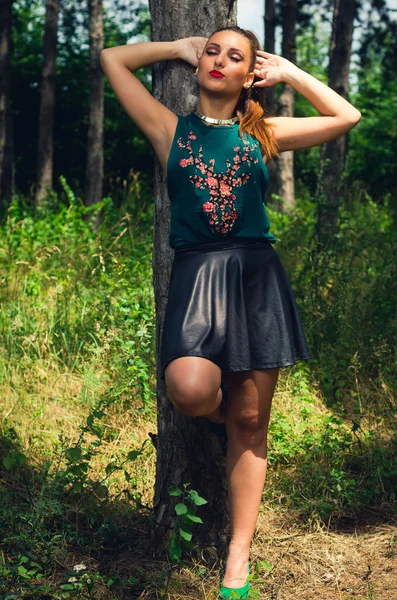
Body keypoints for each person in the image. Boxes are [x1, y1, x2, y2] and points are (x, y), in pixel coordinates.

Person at [100, 25, 361, 599]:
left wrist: (290, 72)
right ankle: (221, 415)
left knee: (250, 422)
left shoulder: (264, 134)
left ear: (250, 76)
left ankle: (237, 554)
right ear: (199, 66)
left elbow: (346, 117)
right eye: (212, 51)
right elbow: (112, 59)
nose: (219, 60)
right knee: (190, 389)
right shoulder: (171, 129)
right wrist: (176, 47)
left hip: (256, 277)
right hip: (197, 275)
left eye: (234, 55)